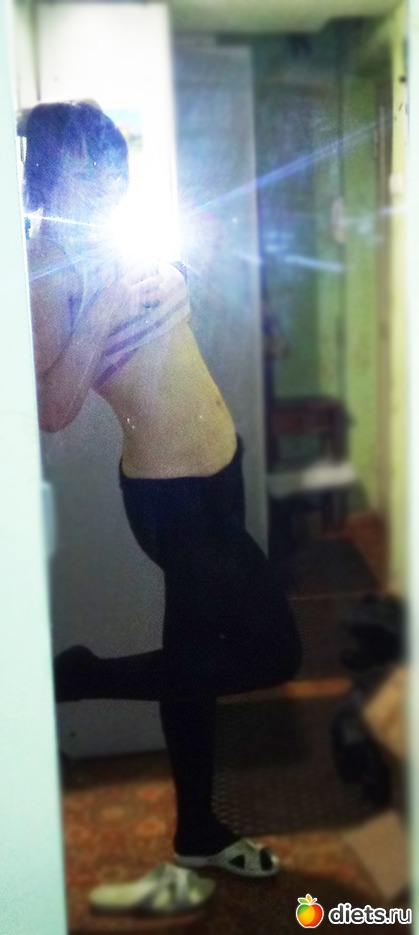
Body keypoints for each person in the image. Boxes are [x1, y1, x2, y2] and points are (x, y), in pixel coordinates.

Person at [24, 101, 302, 885]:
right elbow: (52, 407)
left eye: (114, 169)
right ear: (49, 175)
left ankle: (196, 833)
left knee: (193, 661)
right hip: (171, 499)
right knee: (272, 652)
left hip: (220, 473)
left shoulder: (120, 238)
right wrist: (109, 307)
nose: (108, 185)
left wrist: (168, 278)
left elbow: (175, 319)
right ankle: (83, 675)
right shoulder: (49, 268)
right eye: (88, 171)